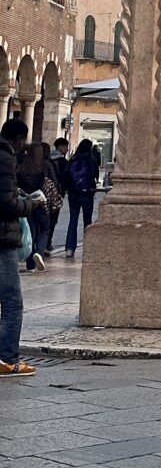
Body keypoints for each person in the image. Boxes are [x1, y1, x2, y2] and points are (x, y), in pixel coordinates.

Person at [0, 119, 46, 377]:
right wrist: (29, 205)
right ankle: (7, 359)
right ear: (18, 139)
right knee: (12, 301)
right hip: (2, 238)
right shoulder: (5, 158)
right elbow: (5, 203)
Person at [16, 142, 52, 272]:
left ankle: (30, 263)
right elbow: (53, 182)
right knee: (45, 228)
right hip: (42, 203)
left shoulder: (23, 166)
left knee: (31, 231)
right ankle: (40, 251)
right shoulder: (45, 166)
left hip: (27, 202)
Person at [64, 139, 100, 257]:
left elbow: (66, 175)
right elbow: (95, 175)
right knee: (87, 221)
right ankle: (88, 247)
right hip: (87, 193)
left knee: (73, 220)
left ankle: (69, 248)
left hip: (73, 194)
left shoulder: (73, 159)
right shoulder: (91, 160)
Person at [47, 137, 69, 252]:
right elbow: (65, 179)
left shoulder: (47, 159)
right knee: (53, 219)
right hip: (57, 194)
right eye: (66, 147)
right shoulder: (63, 162)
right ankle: (47, 242)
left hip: (45, 193)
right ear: (60, 147)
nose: (67, 150)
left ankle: (41, 242)